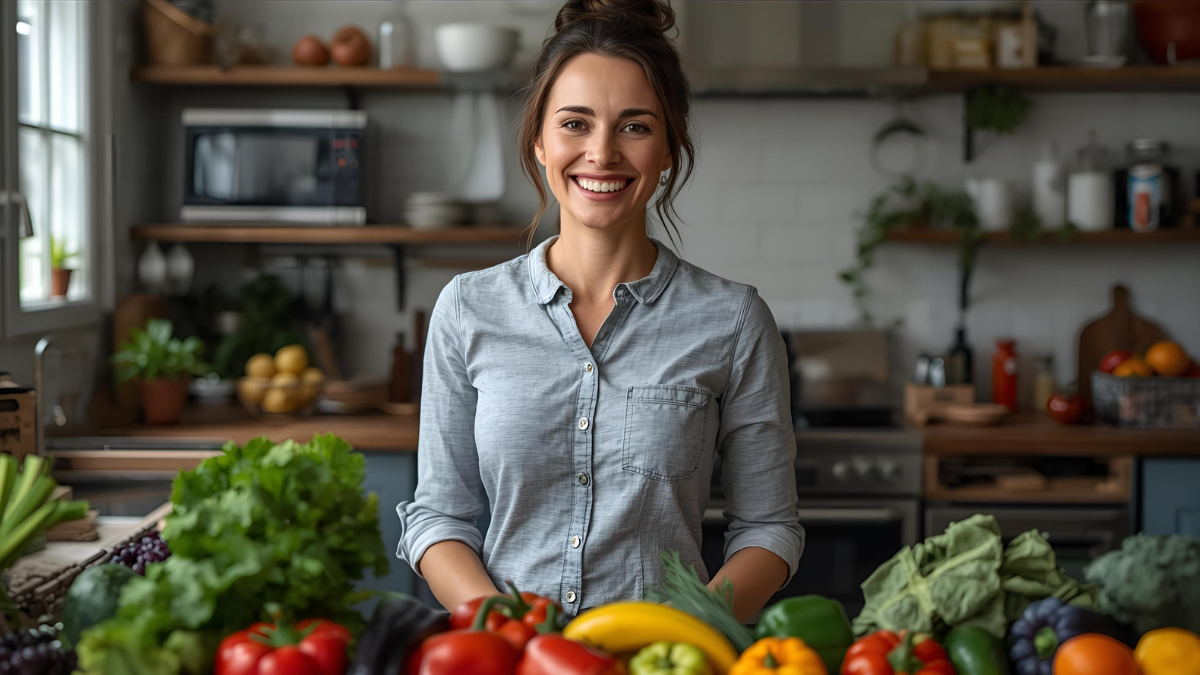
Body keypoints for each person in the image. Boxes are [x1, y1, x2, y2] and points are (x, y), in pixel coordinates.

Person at [396, 0, 802, 621]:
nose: (602, 153)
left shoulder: (735, 320)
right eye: (575, 124)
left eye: (635, 127)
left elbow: (769, 528)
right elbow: (439, 518)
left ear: (668, 149)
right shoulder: (467, 309)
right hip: (509, 659)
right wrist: (514, 634)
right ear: (538, 139)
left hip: (663, 661)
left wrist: (683, 629)